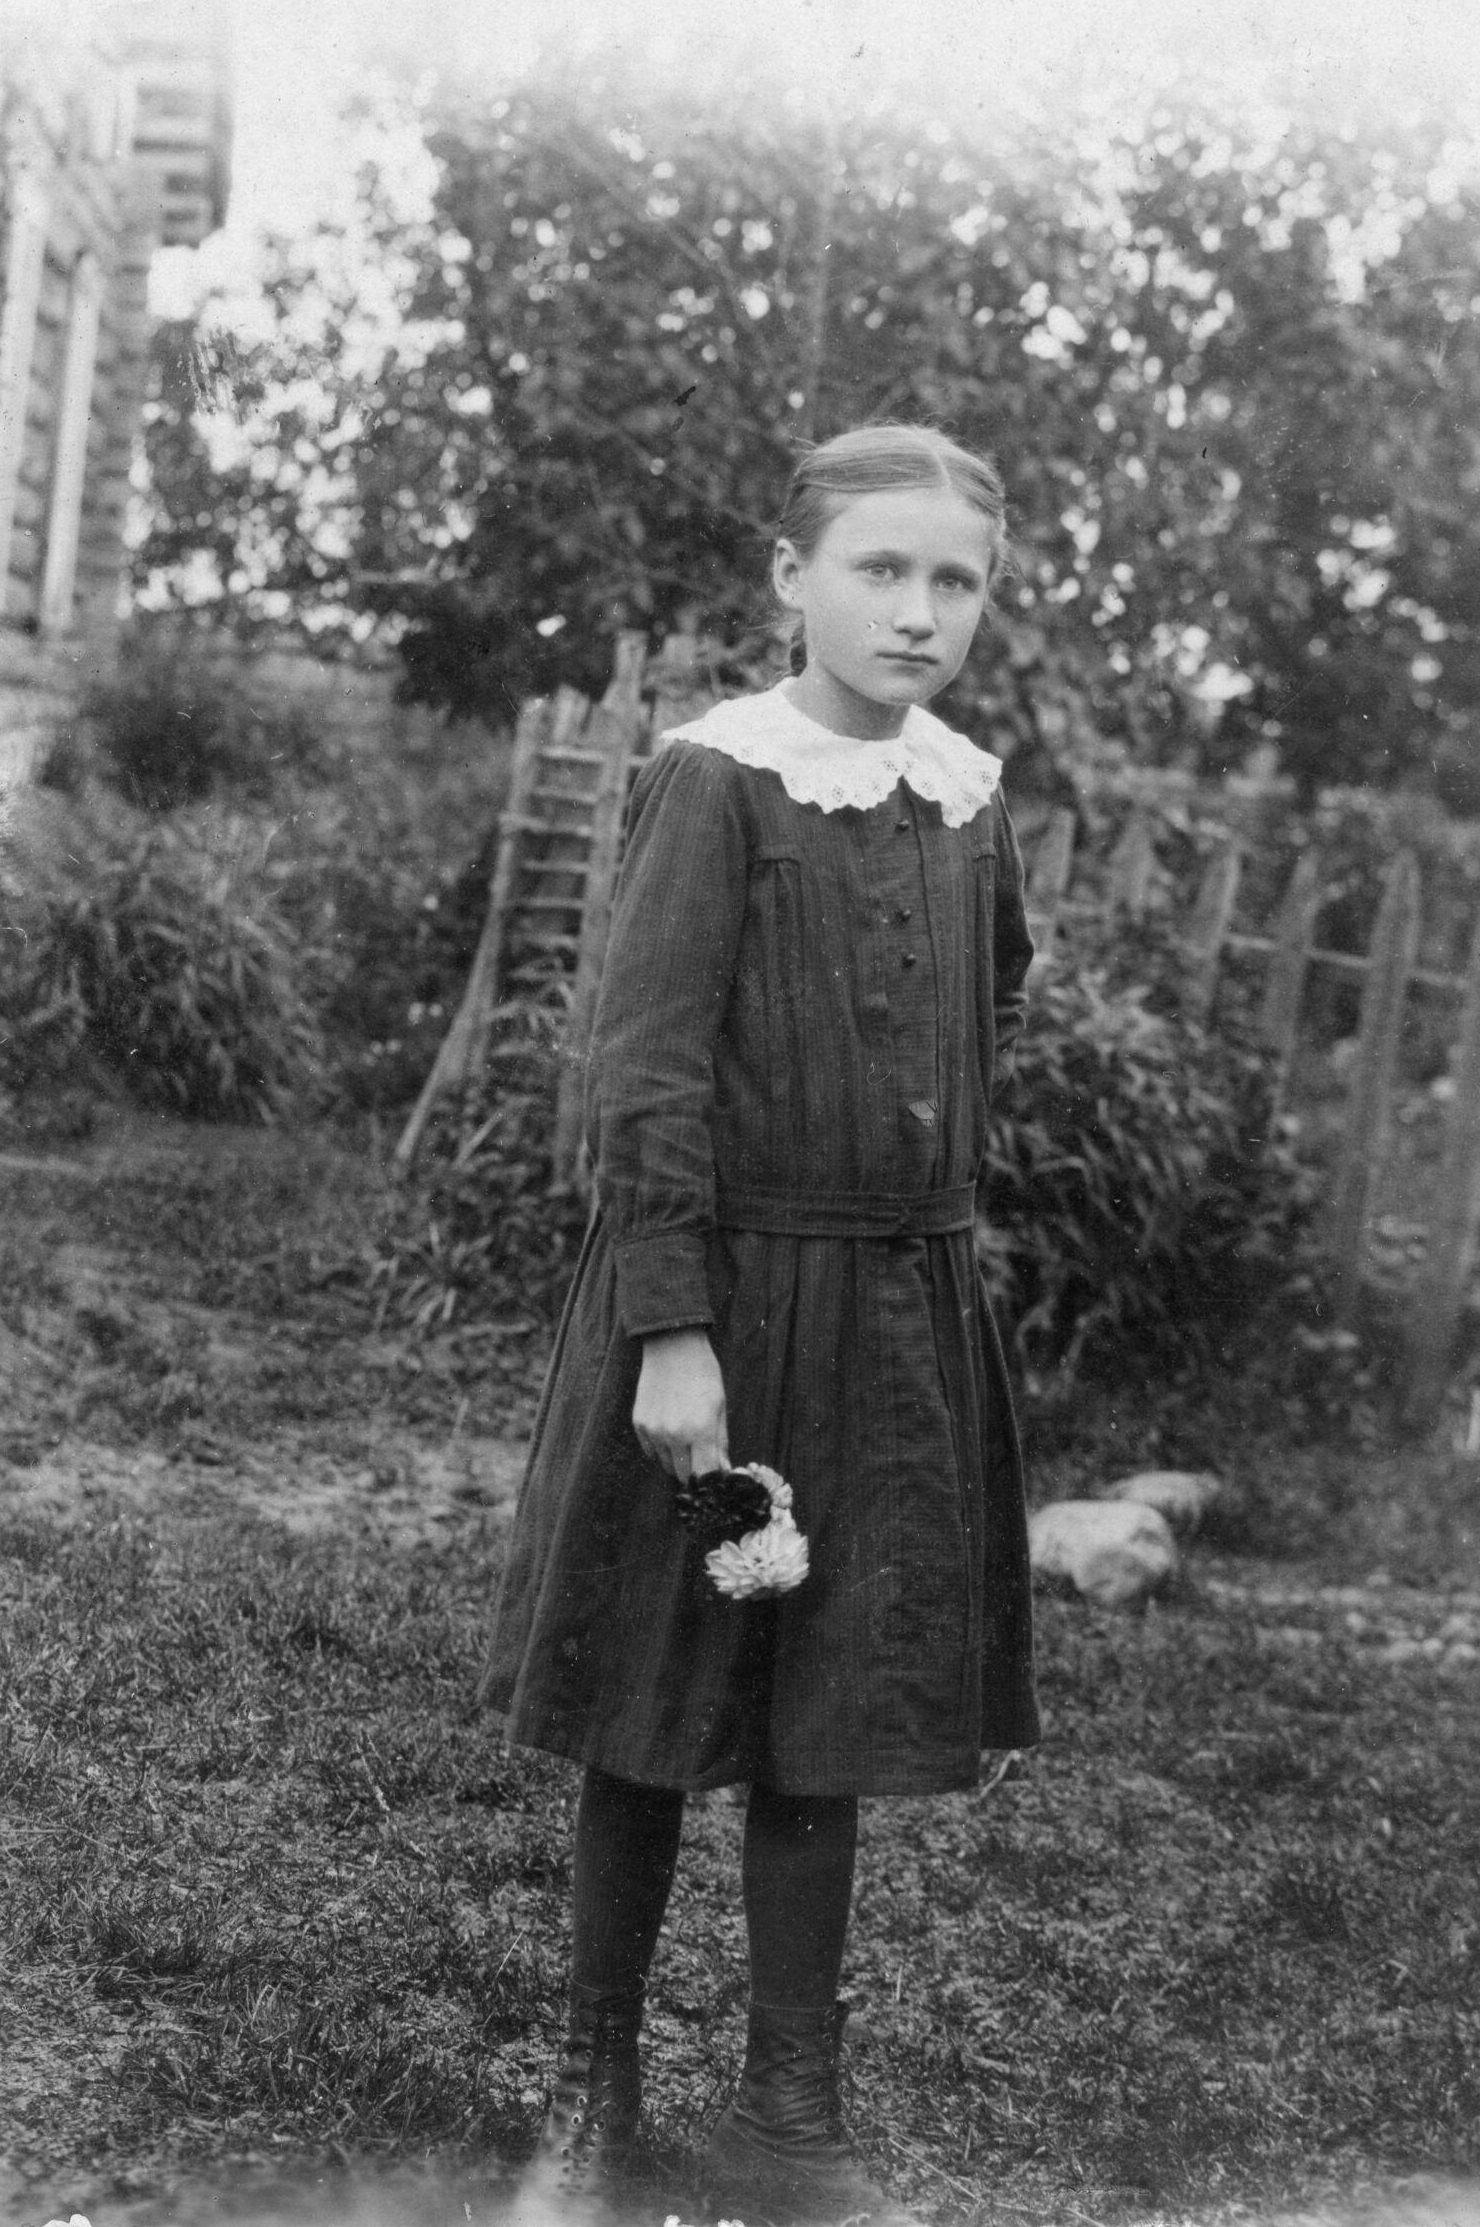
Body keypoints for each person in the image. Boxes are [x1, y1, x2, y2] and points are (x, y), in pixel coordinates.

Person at [479, 423, 1042, 2225]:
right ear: (793, 578)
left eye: (954, 580)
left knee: (833, 1709)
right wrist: (670, 1328)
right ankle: (593, 2089)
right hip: (721, 1304)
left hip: (895, 1320)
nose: (919, 611)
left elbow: (991, 999)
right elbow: (642, 1068)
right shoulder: (717, 778)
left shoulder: (965, 795)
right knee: (652, 1699)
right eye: (880, 569)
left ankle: (790, 2111)